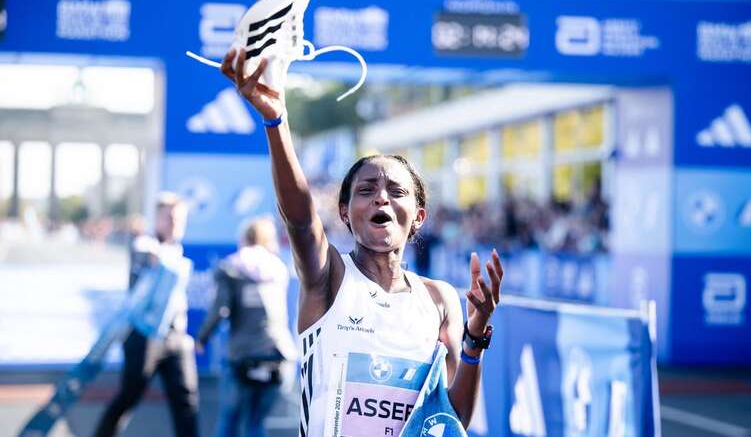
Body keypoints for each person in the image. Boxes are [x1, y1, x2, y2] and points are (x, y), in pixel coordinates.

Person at [220, 48, 503, 437]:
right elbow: (299, 219)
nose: (381, 198)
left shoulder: (440, 300)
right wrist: (276, 120)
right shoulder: (329, 277)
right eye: (367, 190)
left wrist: (475, 338)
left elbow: (453, 419)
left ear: (418, 216)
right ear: (344, 212)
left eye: (396, 191)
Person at [94, 192, 199, 437]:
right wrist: (156, 257)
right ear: (157, 219)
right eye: (169, 218)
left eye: (179, 219)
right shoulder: (146, 247)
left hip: (176, 338)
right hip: (144, 337)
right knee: (128, 397)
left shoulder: (179, 252)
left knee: (187, 402)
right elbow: (144, 257)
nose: (175, 223)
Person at [196, 216, 296, 437]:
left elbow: (220, 310)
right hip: (278, 356)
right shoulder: (277, 267)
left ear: (244, 237)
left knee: (229, 421)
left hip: (243, 356)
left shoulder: (232, 267)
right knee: (256, 423)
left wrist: (201, 339)